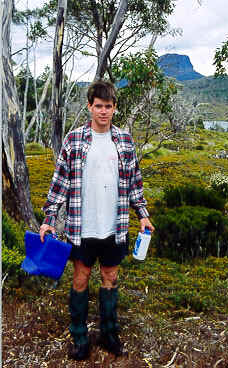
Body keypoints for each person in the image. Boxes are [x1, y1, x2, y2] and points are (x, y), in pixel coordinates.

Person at [39, 80, 154, 361]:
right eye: (98, 106)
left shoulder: (124, 141)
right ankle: (79, 337)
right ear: (90, 107)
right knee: (80, 279)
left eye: (108, 106)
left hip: (114, 226)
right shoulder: (74, 140)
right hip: (81, 226)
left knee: (110, 278)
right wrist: (49, 217)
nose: (103, 111)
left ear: (115, 109)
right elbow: (60, 182)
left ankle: (109, 334)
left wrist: (143, 215)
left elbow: (134, 183)